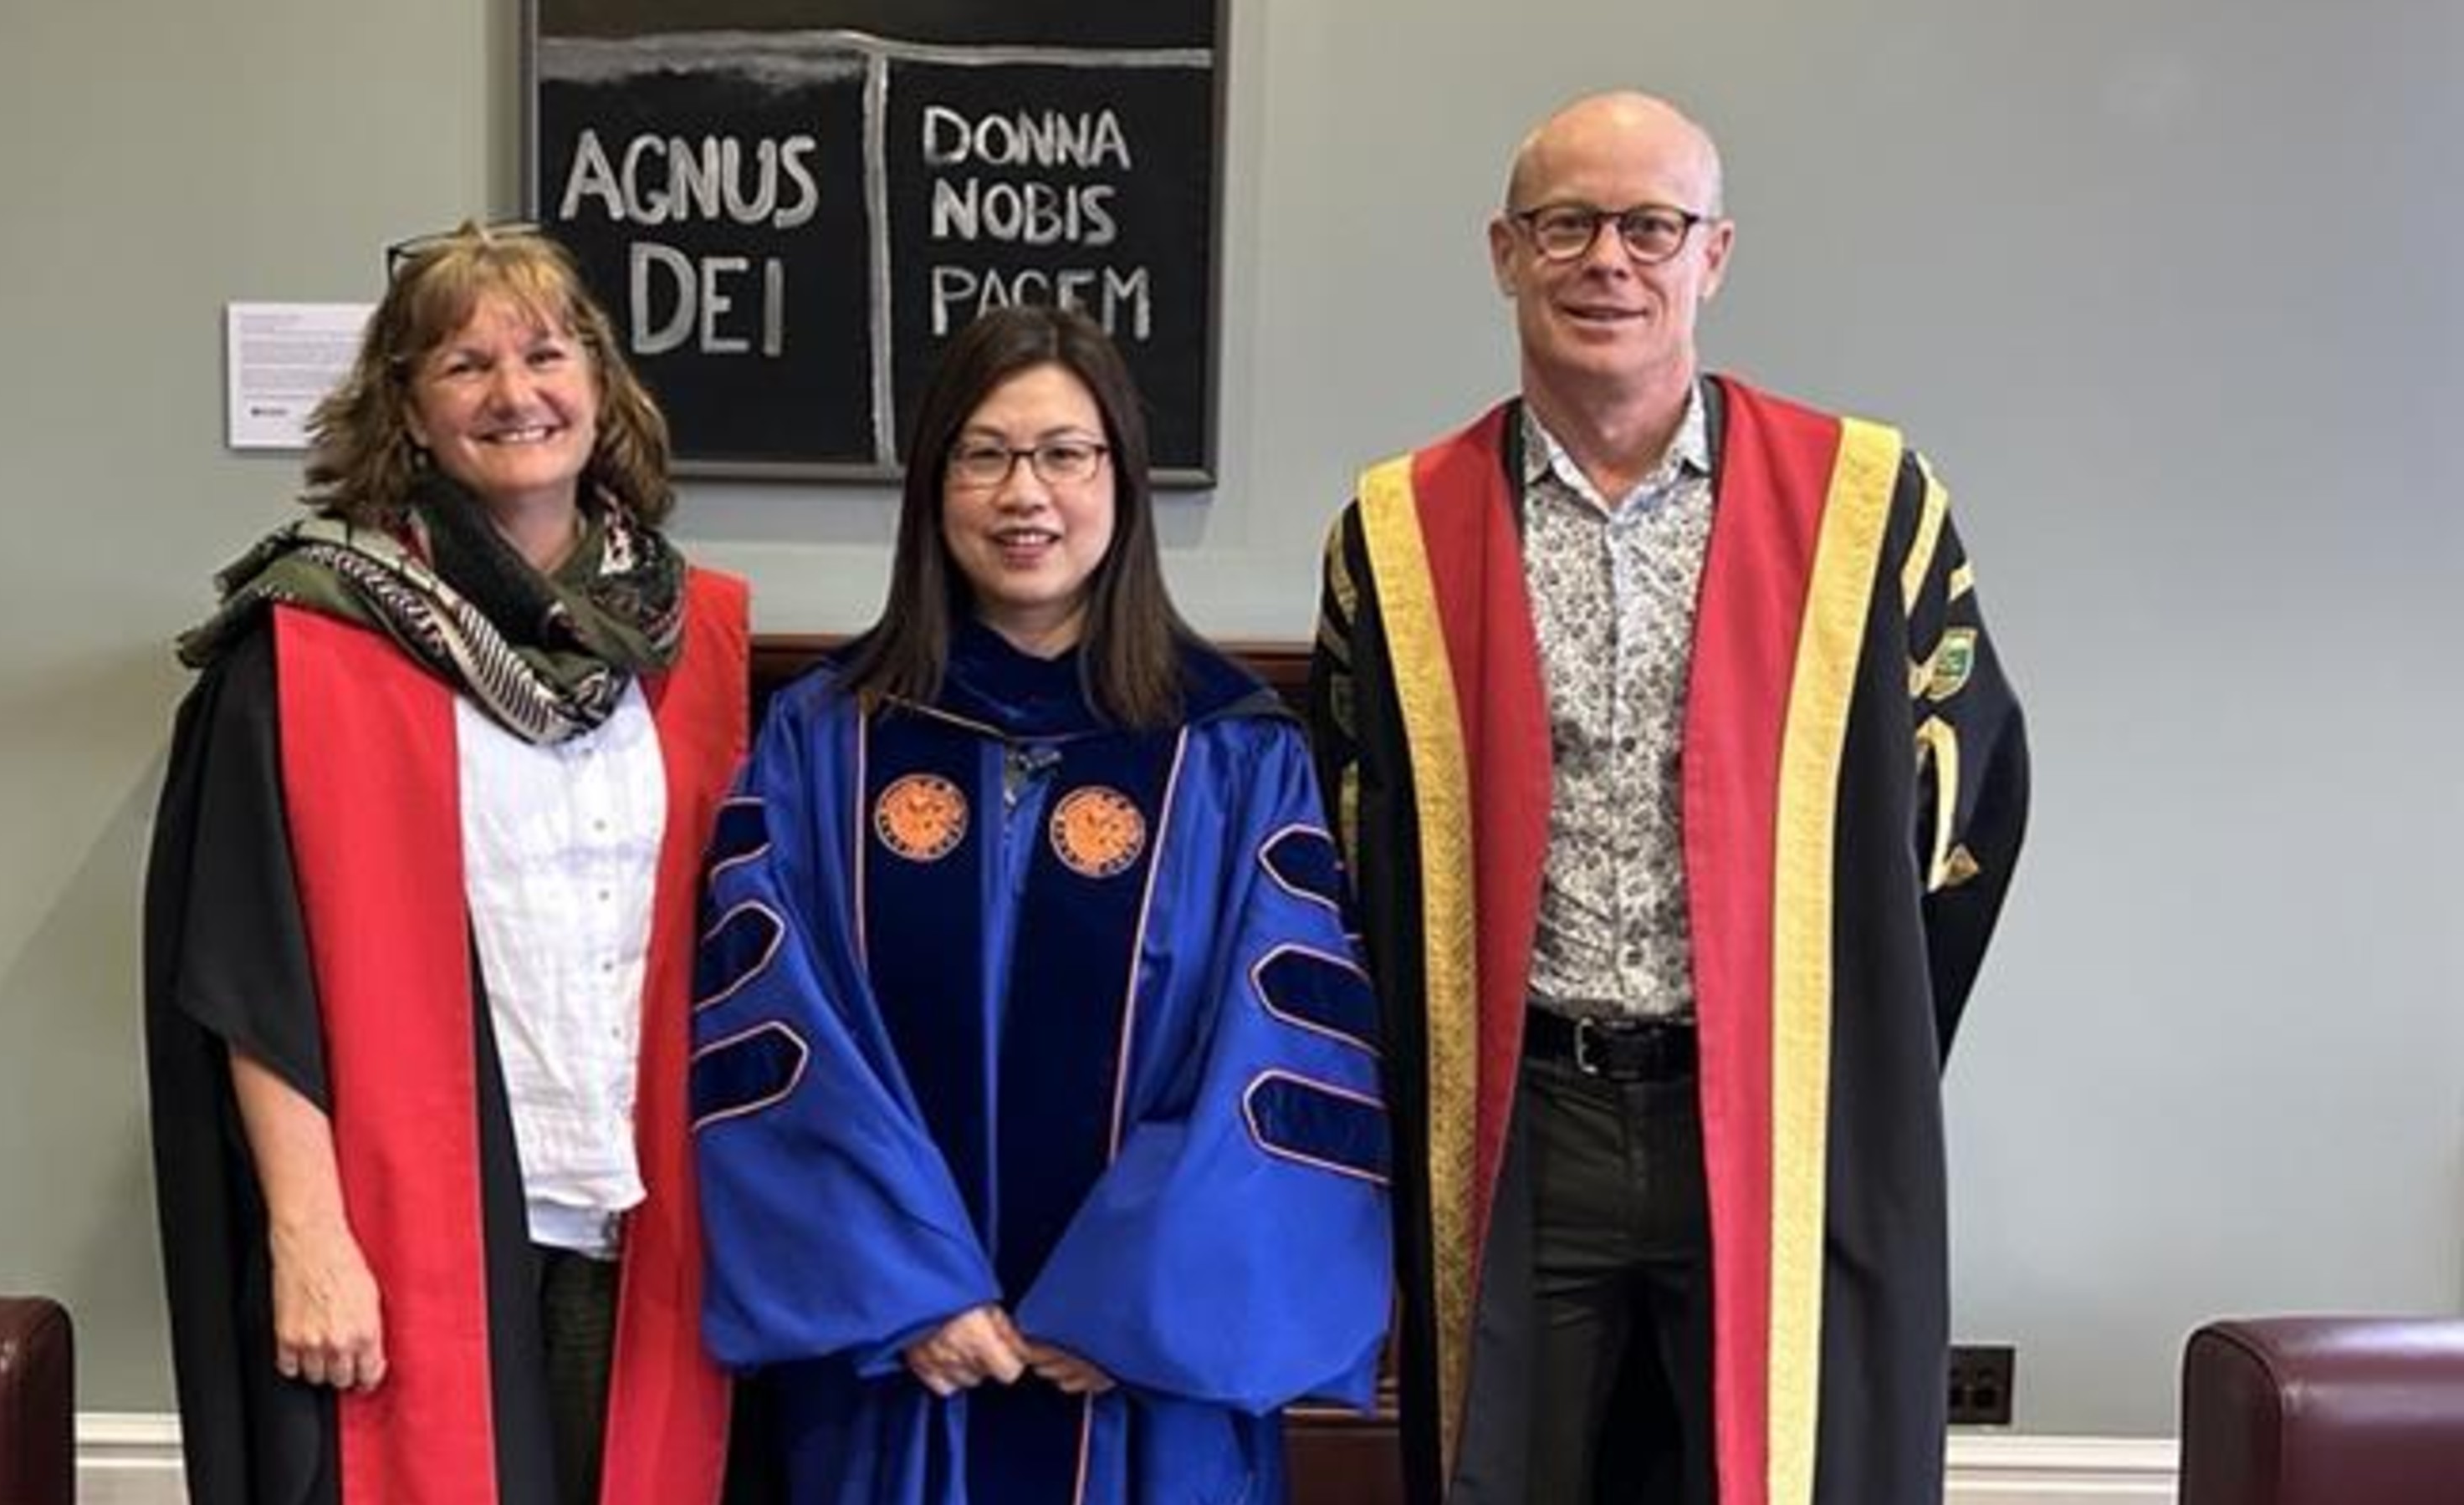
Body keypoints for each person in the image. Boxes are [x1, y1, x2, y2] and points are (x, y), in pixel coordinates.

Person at [1309, 91, 2030, 1505]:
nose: (1608, 263)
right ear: (1504, 252)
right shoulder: (1396, 531)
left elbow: (1964, 810)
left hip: (1773, 1107)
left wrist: (1846, 1058)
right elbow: (1353, 847)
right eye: (1567, 225)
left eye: (1652, 226)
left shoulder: (1868, 507)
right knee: (1498, 1470)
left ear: (1715, 255)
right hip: (1524, 1122)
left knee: (1786, 1471)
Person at [688, 304, 1393, 1504]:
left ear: (1119, 476)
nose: (1028, 493)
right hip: (901, 1372)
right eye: (985, 453)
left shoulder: (1229, 750)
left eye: (1066, 453)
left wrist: (1125, 1302)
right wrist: (911, 1287)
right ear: (934, 484)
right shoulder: (827, 736)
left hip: (1138, 1387)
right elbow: (775, 1035)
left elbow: (1278, 1059)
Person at [144, 221, 746, 1505]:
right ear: (409, 413)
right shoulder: (311, 645)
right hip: (408, 1221)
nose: (515, 392)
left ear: (598, 381)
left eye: (545, 352)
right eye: (464, 364)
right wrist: (307, 1236)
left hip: (638, 1212)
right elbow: (247, 978)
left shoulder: (697, 646)